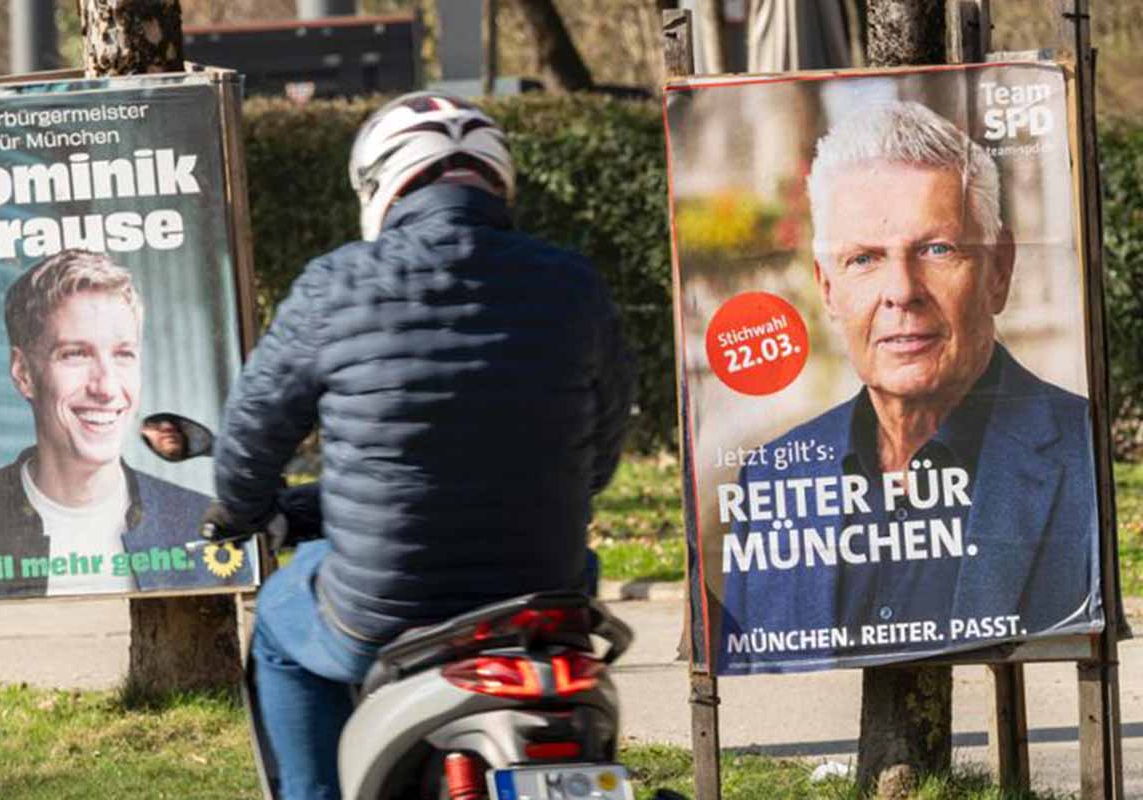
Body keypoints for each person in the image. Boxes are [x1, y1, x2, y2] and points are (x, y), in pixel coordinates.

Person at [205, 91, 637, 799]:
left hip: (384, 609)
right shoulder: (573, 283)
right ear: (499, 182)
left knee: (281, 629)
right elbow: (603, 451)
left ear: (380, 186)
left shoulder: (335, 284)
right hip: (544, 596)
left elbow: (250, 440)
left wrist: (242, 506)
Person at [718, 101, 1100, 674]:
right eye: (864, 259)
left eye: (936, 250)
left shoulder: (1079, 452)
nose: (901, 291)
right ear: (827, 289)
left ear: (999, 271)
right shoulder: (772, 479)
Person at [0, 249, 245, 601]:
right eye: (75, 354)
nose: (106, 388)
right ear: (23, 373)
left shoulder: (204, 524)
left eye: (123, 354)